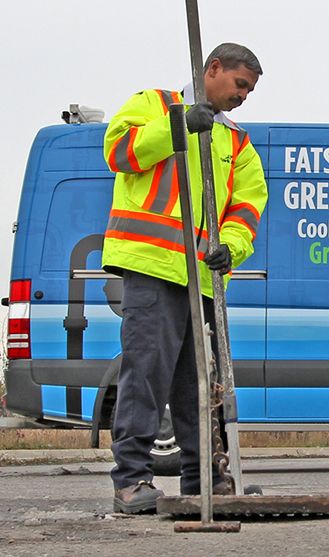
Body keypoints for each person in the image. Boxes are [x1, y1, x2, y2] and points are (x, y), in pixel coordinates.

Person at [101, 43, 268, 514]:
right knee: (146, 377)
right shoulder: (153, 105)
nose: (244, 96)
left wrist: (230, 246)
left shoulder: (237, 143)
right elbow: (119, 152)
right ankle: (131, 483)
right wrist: (177, 125)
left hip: (201, 282)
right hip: (152, 270)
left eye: (250, 90)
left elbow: (247, 207)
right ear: (212, 68)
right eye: (240, 85)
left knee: (203, 386)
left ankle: (205, 483)